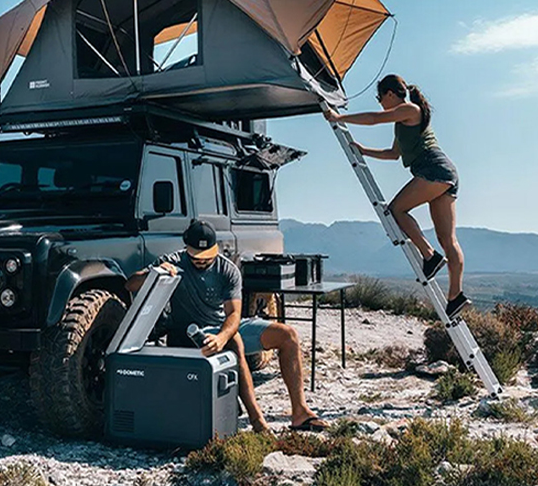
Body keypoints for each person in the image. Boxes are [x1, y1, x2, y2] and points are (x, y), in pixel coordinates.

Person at [124, 219, 328, 433]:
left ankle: (300, 412)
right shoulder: (174, 262)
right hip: (192, 333)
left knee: (288, 335)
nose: (202, 261)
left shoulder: (227, 270)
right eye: (197, 257)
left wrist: (221, 337)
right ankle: (258, 422)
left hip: (224, 328)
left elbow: (233, 314)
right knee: (234, 341)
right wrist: (155, 273)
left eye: (207, 256)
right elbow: (129, 284)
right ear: (187, 250)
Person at [324, 74, 469, 318]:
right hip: (444, 173)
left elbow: (374, 118)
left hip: (435, 170)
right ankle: (456, 296)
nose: (381, 102)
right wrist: (363, 151)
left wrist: (339, 117)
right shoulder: (403, 121)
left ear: (390, 94)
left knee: (397, 210)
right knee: (447, 238)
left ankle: (430, 256)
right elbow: (393, 154)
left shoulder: (409, 109)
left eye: (380, 97)